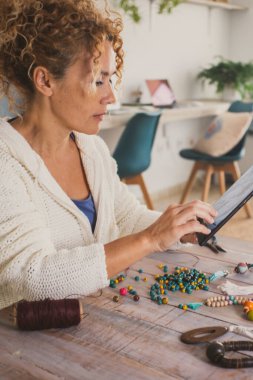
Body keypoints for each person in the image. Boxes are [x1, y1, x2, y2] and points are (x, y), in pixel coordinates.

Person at [0, 0, 216, 311]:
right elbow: (33, 276)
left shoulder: (90, 148)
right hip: (24, 343)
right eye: (98, 80)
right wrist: (150, 240)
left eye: (111, 79)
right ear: (46, 81)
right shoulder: (6, 161)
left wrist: (179, 229)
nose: (111, 95)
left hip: (90, 319)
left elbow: (127, 218)